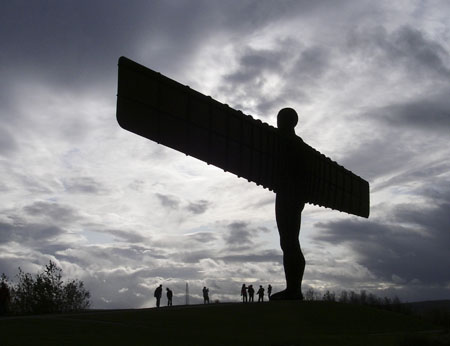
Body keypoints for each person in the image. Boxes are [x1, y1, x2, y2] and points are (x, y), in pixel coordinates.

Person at [270, 108, 306, 301]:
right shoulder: (297, 143)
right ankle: (293, 288)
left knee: (290, 241)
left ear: (289, 122)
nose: (277, 122)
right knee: (289, 241)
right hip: (291, 195)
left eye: (280, 119)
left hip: (289, 195)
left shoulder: (286, 141)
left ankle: (294, 290)